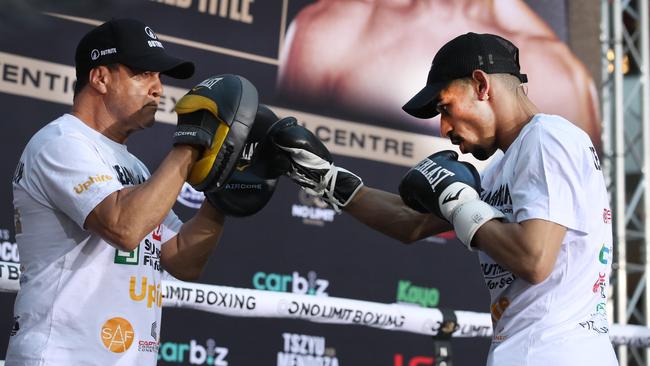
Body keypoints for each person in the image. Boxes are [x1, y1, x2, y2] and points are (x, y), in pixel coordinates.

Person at [266, 32, 617, 365]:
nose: (444, 129)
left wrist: (458, 201)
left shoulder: (547, 138)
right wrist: (325, 178)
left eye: (445, 108)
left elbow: (535, 259)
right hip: (532, 351)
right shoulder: (502, 168)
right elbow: (411, 223)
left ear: (482, 85)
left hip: (553, 354)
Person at [7, 18, 261, 365]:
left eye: (160, 78)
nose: (158, 89)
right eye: (144, 73)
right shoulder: (60, 142)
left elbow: (182, 257)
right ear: (100, 78)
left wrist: (220, 194)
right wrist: (194, 143)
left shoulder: (136, 168)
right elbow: (123, 227)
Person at [276, 0, 602, 150]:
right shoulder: (331, 32)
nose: (445, 129)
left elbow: (558, 251)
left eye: (445, 110)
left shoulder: (561, 78)